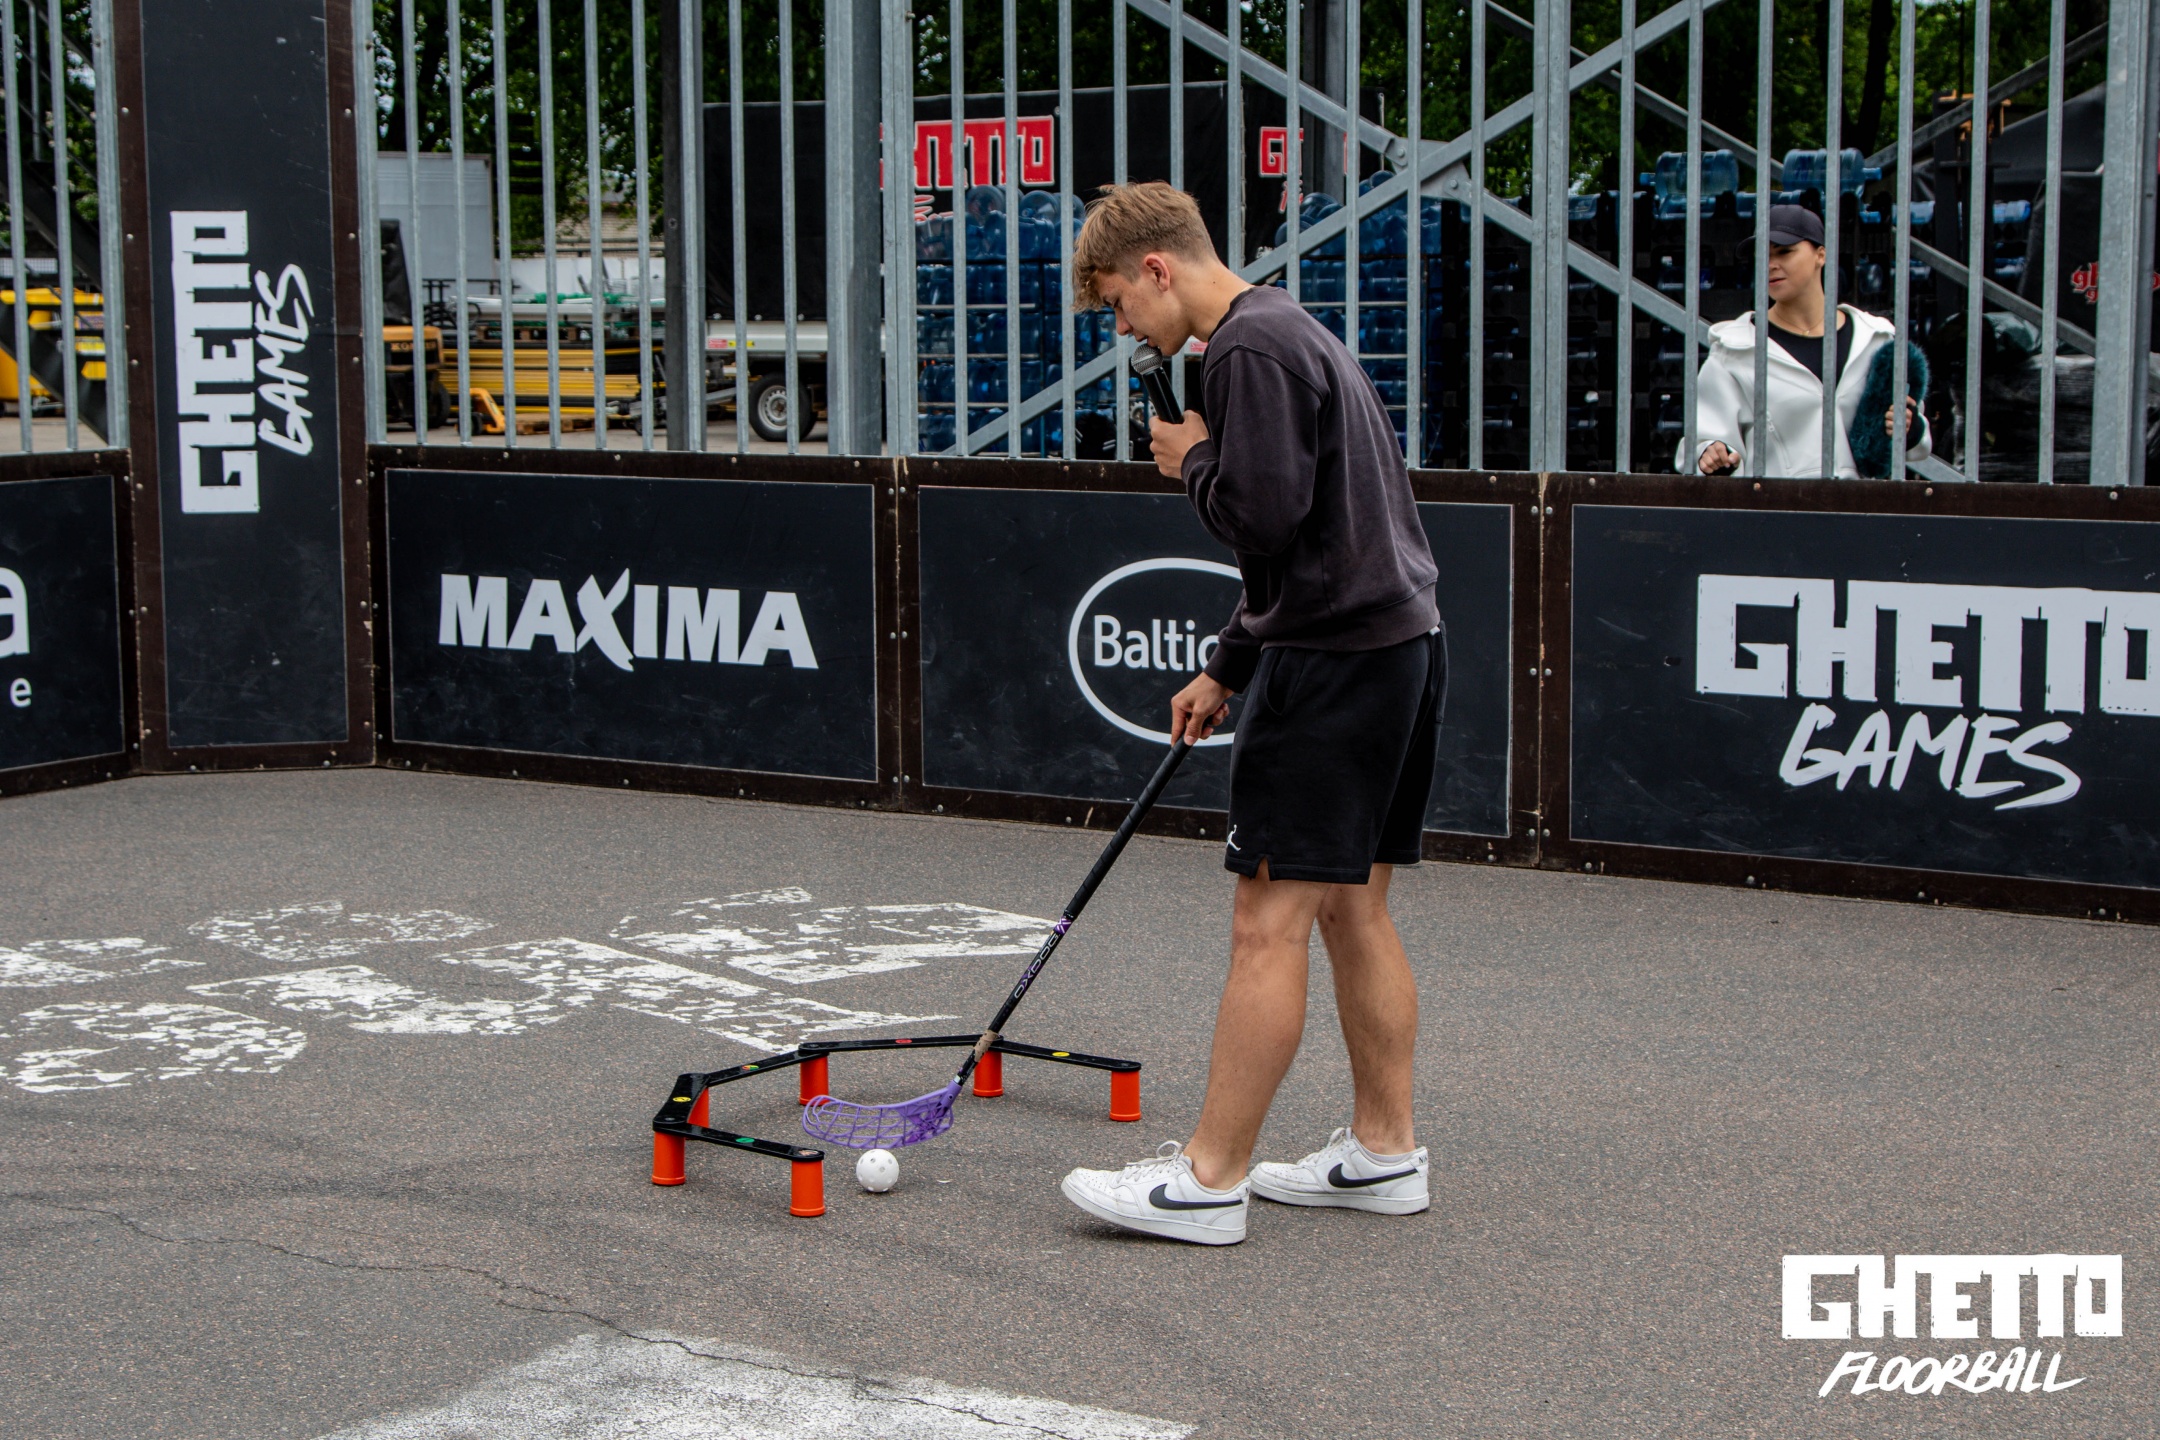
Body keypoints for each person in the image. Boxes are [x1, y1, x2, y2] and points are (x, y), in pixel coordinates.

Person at [1055, 181, 1444, 1246]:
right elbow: (1311, 539)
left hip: (1335, 667)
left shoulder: (1243, 350)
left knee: (1266, 920)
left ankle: (1208, 1180)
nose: (1122, 327)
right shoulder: (1285, 328)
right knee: (1354, 908)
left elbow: (1263, 516)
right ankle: (1385, 1153)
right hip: (1396, 646)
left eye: (1117, 304)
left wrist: (1191, 463)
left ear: (1156, 268)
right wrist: (1229, 663)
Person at [1684, 204, 1931, 478]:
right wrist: (1711, 453)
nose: (1770, 264)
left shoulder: (1874, 339)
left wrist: (1910, 429)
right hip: (1778, 505)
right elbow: (1702, 442)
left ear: (1820, 255)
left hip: (1862, 503)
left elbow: (1917, 440)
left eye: (1784, 251)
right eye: (1762, 254)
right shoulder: (1735, 349)